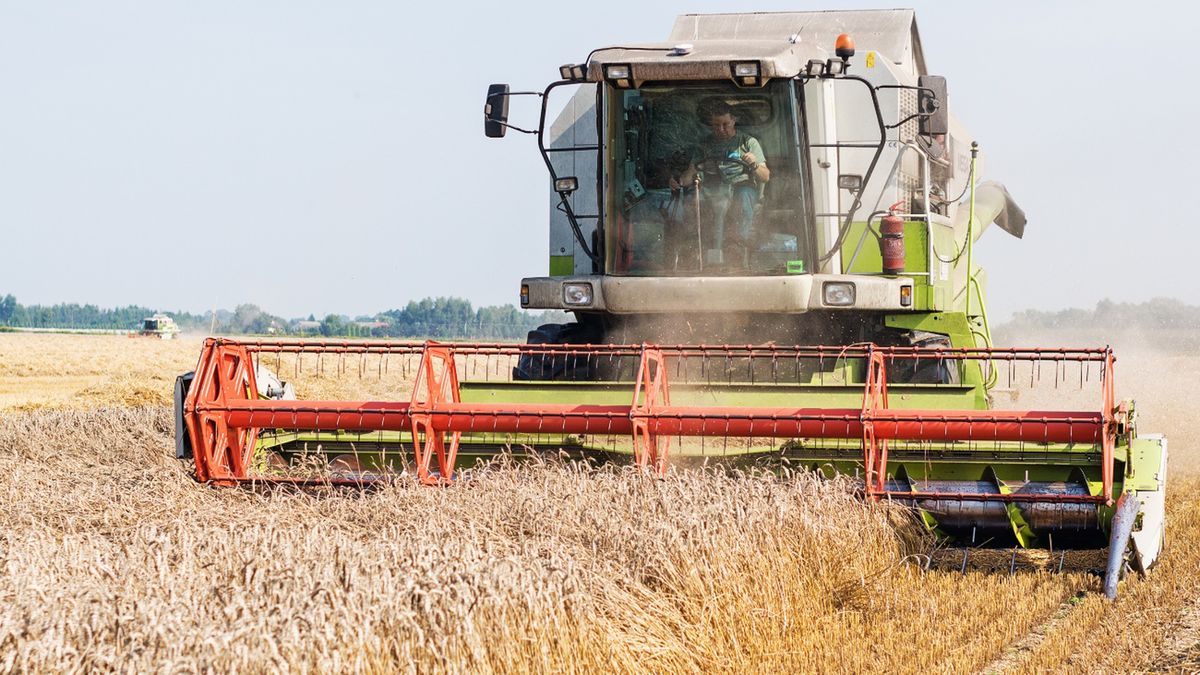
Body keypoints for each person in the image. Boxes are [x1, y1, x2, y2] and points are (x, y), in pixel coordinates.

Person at [669, 100, 770, 266]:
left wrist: (754, 164)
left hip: (740, 188)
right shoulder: (705, 145)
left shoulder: (748, 142)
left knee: (743, 198)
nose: (721, 129)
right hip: (711, 190)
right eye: (716, 125)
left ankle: (738, 246)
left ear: (734, 121)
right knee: (691, 200)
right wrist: (677, 181)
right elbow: (690, 173)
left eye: (725, 124)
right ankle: (695, 245)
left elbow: (765, 176)